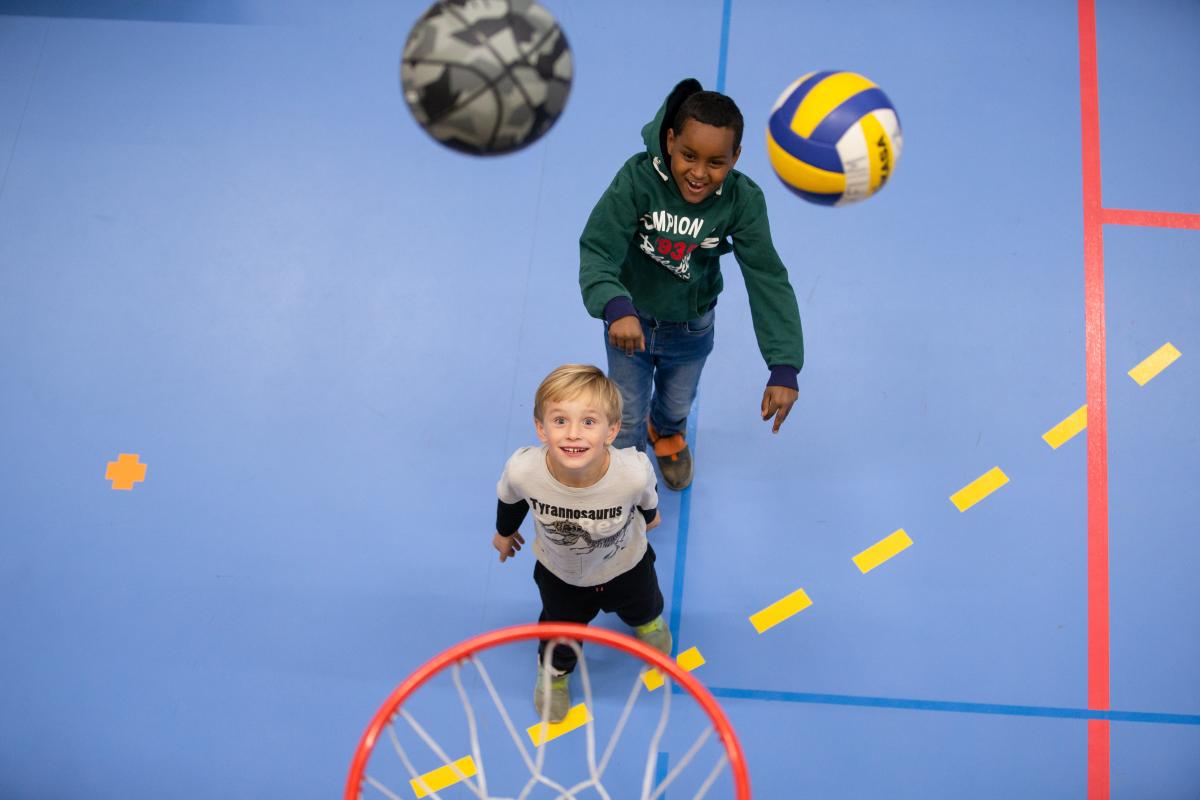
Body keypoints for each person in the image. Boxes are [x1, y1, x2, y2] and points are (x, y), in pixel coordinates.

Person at [579, 78, 805, 490]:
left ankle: (666, 434)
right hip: (631, 324)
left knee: (677, 402)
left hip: (691, 326)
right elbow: (598, 248)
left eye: (716, 162)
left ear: (736, 157)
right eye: (688, 156)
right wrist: (615, 306)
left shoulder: (743, 201)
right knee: (627, 411)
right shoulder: (636, 180)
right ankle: (628, 479)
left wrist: (784, 366)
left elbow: (767, 278)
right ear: (669, 140)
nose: (699, 173)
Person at [493, 364, 671, 723]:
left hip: (626, 565)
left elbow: (646, 500)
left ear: (612, 430)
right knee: (559, 633)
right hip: (562, 575)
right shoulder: (524, 470)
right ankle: (555, 676)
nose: (573, 434)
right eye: (560, 421)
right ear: (540, 428)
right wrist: (504, 532)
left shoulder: (632, 471)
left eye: (589, 422)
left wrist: (651, 519)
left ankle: (648, 624)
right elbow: (510, 498)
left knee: (645, 603)